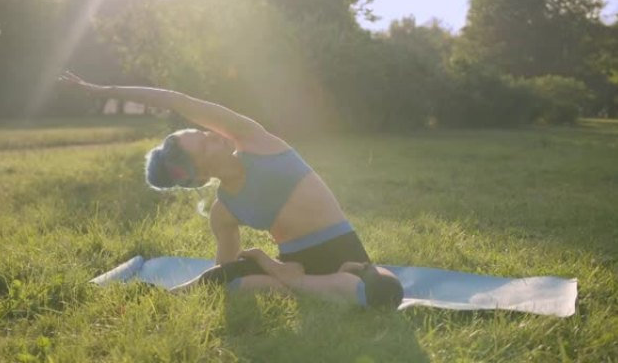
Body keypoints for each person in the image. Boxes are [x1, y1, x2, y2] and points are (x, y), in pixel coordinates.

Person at [58, 71, 404, 309]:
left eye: (204, 133)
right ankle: (281, 279)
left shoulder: (256, 141)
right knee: (233, 286)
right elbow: (224, 270)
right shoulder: (224, 211)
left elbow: (177, 100)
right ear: (196, 177)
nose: (212, 135)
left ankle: (291, 280)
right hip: (299, 266)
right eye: (203, 144)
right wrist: (230, 276)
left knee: (385, 292)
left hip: (344, 253)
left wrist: (107, 91)